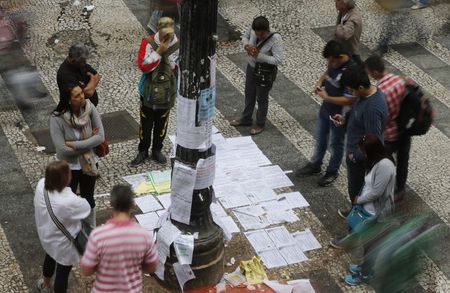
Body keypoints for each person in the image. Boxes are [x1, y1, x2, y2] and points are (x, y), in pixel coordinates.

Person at [330, 134, 396, 285]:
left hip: (377, 214)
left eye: (364, 151)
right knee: (367, 243)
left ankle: (365, 274)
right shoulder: (376, 161)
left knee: (370, 245)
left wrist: (358, 200)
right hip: (369, 210)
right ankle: (363, 267)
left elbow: (376, 192)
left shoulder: (385, 166)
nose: (363, 154)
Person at [295, 40, 354, 186]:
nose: (330, 63)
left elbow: (349, 100)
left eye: (332, 61)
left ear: (341, 57)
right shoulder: (334, 62)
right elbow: (327, 73)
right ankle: (315, 165)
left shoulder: (351, 72)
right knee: (321, 137)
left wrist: (327, 97)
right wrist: (319, 82)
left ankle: (332, 171)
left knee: (336, 143)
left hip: (339, 115)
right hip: (326, 109)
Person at [80, 185, 159, 292]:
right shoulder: (144, 235)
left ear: (111, 204)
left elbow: (86, 270)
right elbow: (152, 267)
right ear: (132, 204)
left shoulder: (98, 235)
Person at [332, 65, 388, 217]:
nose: (350, 93)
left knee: (359, 191)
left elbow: (373, 141)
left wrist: (354, 156)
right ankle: (354, 211)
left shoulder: (373, 109)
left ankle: (357, 224)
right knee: (355, 189)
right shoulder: (365, 96)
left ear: (361, 87)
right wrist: (346, 119)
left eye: (351, 90)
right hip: (354, 151)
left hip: (360, 159)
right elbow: (357, 109)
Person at [50, 84, 104, 227]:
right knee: (69, 201)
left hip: (90, 163)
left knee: (88, 198)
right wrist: (89, 143)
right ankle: (71, 229)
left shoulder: (89, 107)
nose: (82, 97)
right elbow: (62, 150)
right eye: (77, 95)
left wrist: (75, 144)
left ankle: (90, 229)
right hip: (68, 167)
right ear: (68, 100)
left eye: (82, 93)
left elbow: (100, 137)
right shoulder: (57, 118)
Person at [34, 161, 91, 293]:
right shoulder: (68, 200)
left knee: (49, 257)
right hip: (64, 244)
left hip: (47, 235)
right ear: (66, 178)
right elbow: (86, 208)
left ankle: (46, 285)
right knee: (62, 273)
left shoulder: (41, 184)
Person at [130, 17, 179, 166]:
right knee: (146, 123)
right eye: (165, 33)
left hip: (166, 91)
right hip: (148, 91)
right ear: (158, 30)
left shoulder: (177, 44)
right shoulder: (148, 42)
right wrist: (158, 52)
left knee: (161, 123)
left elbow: (177, 67)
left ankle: (157, 149)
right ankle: (143, 150)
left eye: (170, 33)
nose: (167, 36)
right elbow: (143, 66)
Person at [365, 55, 411, 201]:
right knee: (403, 160)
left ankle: (378, 192)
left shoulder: (381, 91)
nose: (370, 76)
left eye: (370, 73)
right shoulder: (399, 80)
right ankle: (400, 189)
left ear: (375, 72)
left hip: (390, 135)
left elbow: (382, 116)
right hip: (404, 131)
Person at [230, 16, 284, 135]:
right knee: (249, 93)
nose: (259, 37)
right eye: (257, 34)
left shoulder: (275, 39)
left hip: (264, 72)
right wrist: (247, 46)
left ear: (267, 30)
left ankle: (260, 123)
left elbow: (278, 60)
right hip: (252, 67)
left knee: (261, 97)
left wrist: (258, 56)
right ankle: (246, 118)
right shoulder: (253, 29)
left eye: (262, 35)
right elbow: (245, 37)